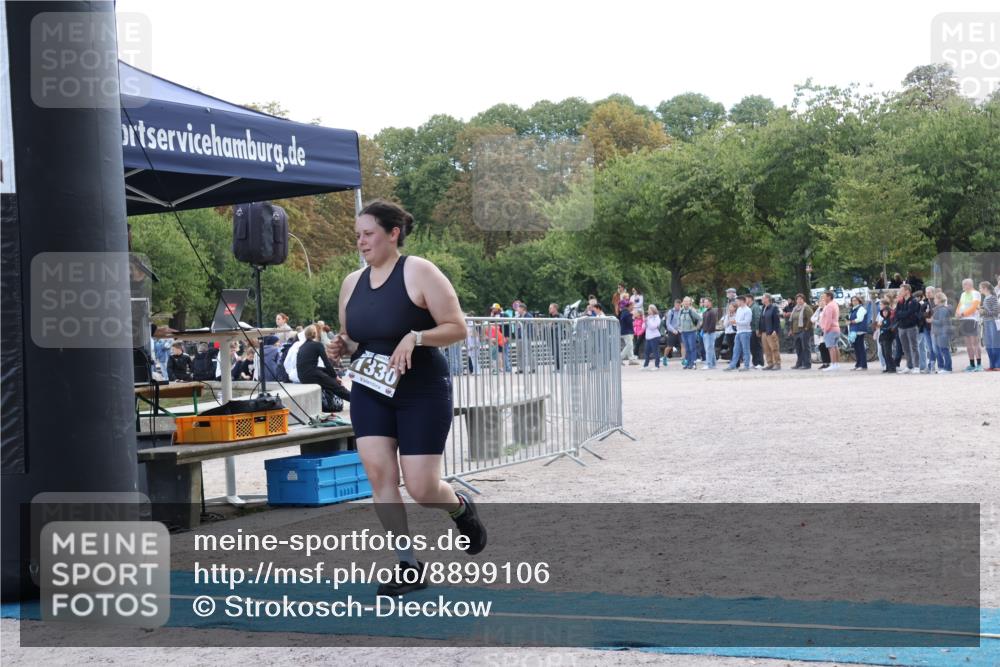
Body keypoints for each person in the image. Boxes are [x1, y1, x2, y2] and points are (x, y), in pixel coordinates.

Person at [326, 199, 486, 598]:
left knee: (421, 486)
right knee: (380, 476)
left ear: (392, 233)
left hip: (420, 389)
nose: (361, 242)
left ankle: (459, 508)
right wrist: (340, 346)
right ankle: (408, 564)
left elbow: (458, 327)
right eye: (358, 235)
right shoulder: (351, 282)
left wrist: (417, 336)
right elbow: (355, 335)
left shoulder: (419, 271)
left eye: (368, 234)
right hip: (371, 388)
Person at [297, 324, 350, 404]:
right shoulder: (317, 345)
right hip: (311, 375)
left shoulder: (302, 347)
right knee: (336, 387)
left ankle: (336, 379)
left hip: (302, 376)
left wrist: (333, 375)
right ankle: (356, 400)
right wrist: (335, 377)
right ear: (315, 334)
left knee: (325, 371)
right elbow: (327, 363)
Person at [955, 279, 983, 372]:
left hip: (972, 319)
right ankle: (972, 364)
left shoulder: (975, 293)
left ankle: (979, 365)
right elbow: (959, 305)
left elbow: (974, 307)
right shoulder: (963, 294)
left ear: (969, 284)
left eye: (964, 284)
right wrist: (957, 313)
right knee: (968, 344)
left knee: (975, 343)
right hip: (964, 320)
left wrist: (963, 314)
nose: (963, 286)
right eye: (963, 284)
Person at [894, 284, 920, 373]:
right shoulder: (900, 302)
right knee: (905, 348)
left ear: (907, 291)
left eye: (902, 291)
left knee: (914, 347)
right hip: (901, 327)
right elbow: (896, 313)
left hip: (911, 327)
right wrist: (903, 314)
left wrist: (903, 314)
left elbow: (911, 313)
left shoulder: (913, 301)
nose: (900, 292)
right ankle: (909, 366)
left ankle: (917, 366)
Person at [724, 296, 753, 372]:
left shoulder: (748, 310)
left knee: (745, 349)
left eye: (737, 301)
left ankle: (746, 366)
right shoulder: (739, 309)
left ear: (742, 301)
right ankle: (733, 365)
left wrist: (736, 322)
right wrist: (734, 322)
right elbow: (737, 320)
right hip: (738, 332)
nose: (736, 303)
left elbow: (747, 322)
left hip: (745, 332)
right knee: (735, 349)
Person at [789, 294, 813, 370]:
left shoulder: (807, 308)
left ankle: (807, 364)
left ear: (803, 300)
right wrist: (791, 329)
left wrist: (806, 328)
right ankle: (799, 363)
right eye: (797, 299)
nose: (799, 301)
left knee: (805, 348)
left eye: (800, 299)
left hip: (804, 331)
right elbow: (792, 320)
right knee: (798, 348)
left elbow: (811, 319)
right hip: (796, 331)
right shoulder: (795, 309)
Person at [819, 291, 841, 371]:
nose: (823, 298)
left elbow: (828, 319)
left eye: (824, 296)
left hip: (830, 329)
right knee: (835, 346)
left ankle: (833, 364)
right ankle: (837, 364)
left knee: (831, 347)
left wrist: (825, 329)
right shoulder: (834, 304)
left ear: (829, 297)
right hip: (836, 328)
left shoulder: (829, 306)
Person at [759, 293, 782, 370]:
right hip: (764, 332)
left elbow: (777, 320)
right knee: (766, 349)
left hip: (771, 331)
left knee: (774, 348)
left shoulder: (773, 308)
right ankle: (770, 363)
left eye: (763, 298)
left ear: (767, 299)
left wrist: (775, 330)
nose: (762, 299)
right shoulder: (763, 308)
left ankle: (777, 363)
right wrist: (760, 330)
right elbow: (761, 320)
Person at [980, 281, 999, 371]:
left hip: (992, 322)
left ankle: (997, 365)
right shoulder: (985, 298)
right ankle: (992, 365)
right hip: (986, 322)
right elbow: (988, 310)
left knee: (995, 343)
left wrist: (984, 312)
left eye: (980, 288)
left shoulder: (992, 298)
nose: (979, 289)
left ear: (985, 288)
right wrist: (982, 309)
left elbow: (995, 312)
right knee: (989, 344)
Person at [678, 297, 702, 370]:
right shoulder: (681, 311)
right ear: (682, 302)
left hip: (691, 332)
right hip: (683, 332)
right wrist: (679, 328)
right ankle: (688, 363)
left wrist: (697, 327)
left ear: (690, 303)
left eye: (687, 301)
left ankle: (693, 363)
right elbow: (678, 320)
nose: (685, 303)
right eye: (684, 301)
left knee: (692, 348)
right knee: (687, 348)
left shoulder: (692, 311)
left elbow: (700, 319)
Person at [932, 292, 952, 373]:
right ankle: (944, 368)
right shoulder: (938, 309)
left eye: (935, 298)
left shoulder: (943, 309)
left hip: (943, 332)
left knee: (944, 350)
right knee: (941, 350)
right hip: (938, 332)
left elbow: (941, 322)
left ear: (939, 299)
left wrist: (932, 320)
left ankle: (948, 368)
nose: (934, 300)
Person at [847, 296, 868, 371]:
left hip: (859, 330)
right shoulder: (853, 309)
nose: (854, 302)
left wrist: (851, 322)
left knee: (860, 348)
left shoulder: (861, 309)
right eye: (853, 300)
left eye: (855, 300)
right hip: (854, 330)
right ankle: (858, 364)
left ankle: (863, 365)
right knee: (856, 348)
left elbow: (859, 319)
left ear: (859, 301)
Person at [918, 287, 936, 374]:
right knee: (929, 348)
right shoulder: (924, 304)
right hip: (926, 328)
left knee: (935, 348)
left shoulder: (936, 303)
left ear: (933, 293)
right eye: (926, 292)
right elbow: (920, 315)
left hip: (935, 329)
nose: (928, 294)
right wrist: (926, 314)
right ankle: (930, 366)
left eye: (929, 292)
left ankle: (937, 366)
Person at [878, 298, 898, 373]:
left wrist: (884, 329)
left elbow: (890, 328)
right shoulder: (883, 320)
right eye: (883, 312)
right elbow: (881, 330)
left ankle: (892, 367)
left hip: (888, 338)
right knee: (884, 353)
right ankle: (888, 367)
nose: (884, 313)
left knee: (888, 353)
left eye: (886, 312)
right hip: (883, 338)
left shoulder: (889, 320)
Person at [642, 305, 662, 370]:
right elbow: (643, 327)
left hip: (655, 337)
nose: (648, 311)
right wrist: (644, 322)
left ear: (653, 310)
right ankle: (645, 365)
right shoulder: (648, 318)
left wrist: (648, 321)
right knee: (646, 352)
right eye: (648, 309)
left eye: (649, 309)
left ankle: (657, 365)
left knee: (655, 351)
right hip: (648, 337)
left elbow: (653, 326)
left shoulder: (657, 317)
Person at [700, 297, 718, 370]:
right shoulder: (705, 312)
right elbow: (703, 323)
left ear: (710, 303)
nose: (704, 303)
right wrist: (700, 329)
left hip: (710, 333)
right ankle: (713, 364)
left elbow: (713, 324)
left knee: (708, 349)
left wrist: (708, 331)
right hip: (705, 333)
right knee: (711, 349)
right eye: (704, 302)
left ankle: (709, 364)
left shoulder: (712, 312)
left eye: (706, 302)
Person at [664, 300, 681, 366]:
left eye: (679, 305)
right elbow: (668, 324)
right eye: (677, 305)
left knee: (683, 345)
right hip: (672, 331)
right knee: (669, 346)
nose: (678, 307)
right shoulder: (671, 312)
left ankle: (683, 359)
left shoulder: (681, 311)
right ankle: (665, 357)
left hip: (680, 330)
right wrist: (673, 330)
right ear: (674, 304)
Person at [749, 297, 764, 369]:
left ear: (750, 299)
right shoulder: (750, 307)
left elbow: (757, 318)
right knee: (753, 347)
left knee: (757, 346)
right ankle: (755, 362)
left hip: (755, 329)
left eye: (746, 299)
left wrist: (757, 329)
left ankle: (760, 362)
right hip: (751, 329)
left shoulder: (755, 307)